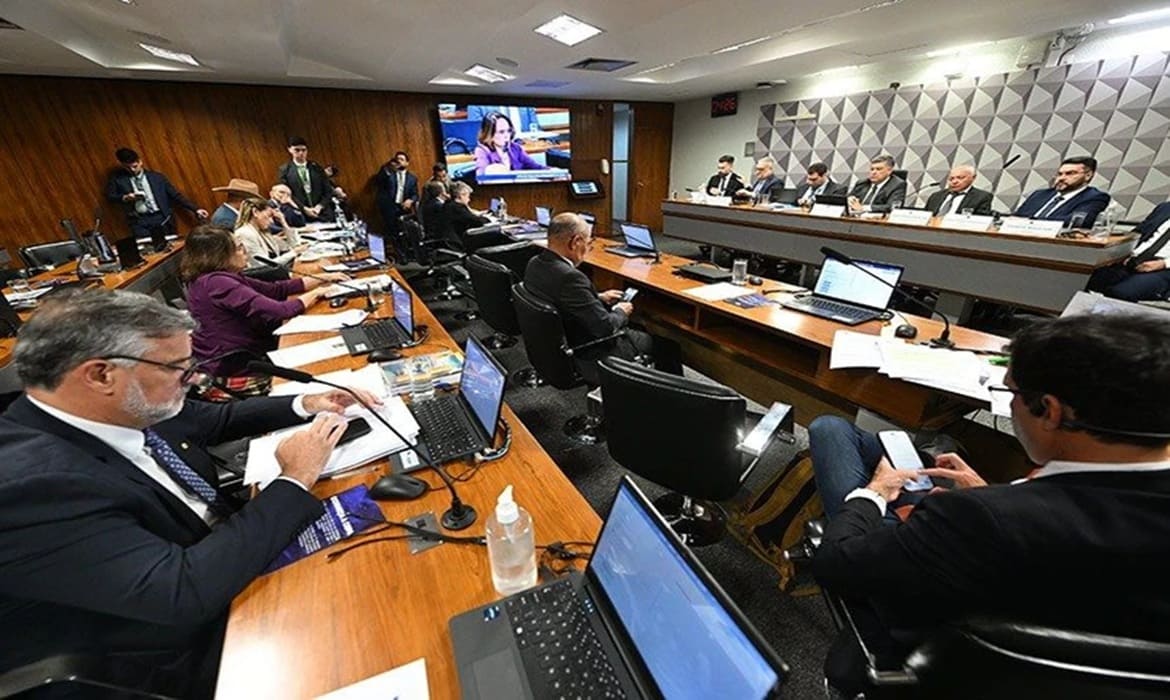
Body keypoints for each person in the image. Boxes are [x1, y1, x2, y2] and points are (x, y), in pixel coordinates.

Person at [0, 287, 378, 698]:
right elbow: (180, 591)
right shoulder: (30, 487)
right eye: (178, 368)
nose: (196, 378)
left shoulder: (112, 406)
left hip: (223, 560)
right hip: (173, 650)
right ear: (101, 375)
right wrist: (294, 478)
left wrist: (308, 402)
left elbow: (214, 419)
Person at [807, 313, 1170, 696]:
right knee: (870, 448)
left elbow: (835, 565)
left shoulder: (977, 520)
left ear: (1050, 411)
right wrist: (997, 494)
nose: (1010, 405)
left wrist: (875, 493)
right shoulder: (995, 512)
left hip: (929, 655)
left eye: (1010, 393)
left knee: (834, 435)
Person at [181, 225, 345, 397]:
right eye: (238, 247)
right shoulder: (217, 283)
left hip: (240, 359)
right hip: (237, 371)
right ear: (219, 255)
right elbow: (280, 311)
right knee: (325, 376)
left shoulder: (214, 278)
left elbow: (277, 289)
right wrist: (317, 293)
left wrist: (323, 278)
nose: (244, 251)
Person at [525, 213, 682, 375]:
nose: (587, 249)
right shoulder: (570, 278)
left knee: (638, 327)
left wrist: (598, 297)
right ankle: (671, 391)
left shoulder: (534, 263)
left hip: (557, 343)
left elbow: (558, 297)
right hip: (590, 349)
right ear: (575, 242)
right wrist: (621, 310)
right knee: (668, 347)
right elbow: (605, 328)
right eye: (588, 243)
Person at [105, 147, 208, 237]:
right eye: (128, 167)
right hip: (139, 221)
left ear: (140, 162)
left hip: (161, 217)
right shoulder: (118, 179)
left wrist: (196, 209)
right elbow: (110, 196)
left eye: (135, 166)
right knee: (148, 250)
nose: (132, 170)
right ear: (123, 165)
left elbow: (175, 195)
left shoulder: (157, 177)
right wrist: (125, 197)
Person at [1086, 200, 1170, 301]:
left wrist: (1163, 264)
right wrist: (1122, 253)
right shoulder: (1165, 208)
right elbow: (1138, 232)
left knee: (1121, 292)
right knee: (1084, 278)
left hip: (1164, 268)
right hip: (1133, 259)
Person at [1013, 156, 1110, 227]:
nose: (1062, 178)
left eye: (1070, 173)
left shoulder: (1095, 197)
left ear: (1088, 176)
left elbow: (1078, 222)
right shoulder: (1039, 194)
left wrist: (1031, 221)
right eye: (1059, 174)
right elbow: (1016, 217)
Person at [276, 136, 338, 222]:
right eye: (297, 150)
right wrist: (304, 208)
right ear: (290, 150)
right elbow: (287, 194)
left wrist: (319, 206)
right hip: (301, 215)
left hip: (323, 213)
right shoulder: (285, 170)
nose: (301, 153)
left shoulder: (317, 168)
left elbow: (328, 191)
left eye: (304, 150)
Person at [234, 197, 304, 271]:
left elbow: (292, 246)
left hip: (273, 272)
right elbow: (264, 265)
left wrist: (283, 222)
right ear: (255, 212)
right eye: (269, 216)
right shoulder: (245, 233)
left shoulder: (262, 232)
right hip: (261, 275)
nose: (271, 221)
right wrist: (294, 252)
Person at [473, 111, 548, 176]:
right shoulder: (482, 151)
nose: (507, 136)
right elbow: (481, 176)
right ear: (490, 135)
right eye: (501, 132)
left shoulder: (515, 148)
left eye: (508, 131)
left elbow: (537, 168)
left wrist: (552, 172)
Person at [373, 151, 419, 241]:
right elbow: (379, 181)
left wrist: (410, 200)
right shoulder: (388, 174)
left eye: (402, 159)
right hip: (389, 207)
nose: (399, 161)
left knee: (407, 232)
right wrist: (388, 168)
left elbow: (415, 194)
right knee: (392, 233)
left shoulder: (412, 178)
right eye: (397, 159)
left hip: (403, 207)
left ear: (407, 163)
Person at [924, 164, 994, 217]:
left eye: (960, 178)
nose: (954, 182)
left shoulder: (981, 197)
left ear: (973, 178)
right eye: (951, 179)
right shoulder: (936, 196)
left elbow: (980, 221)